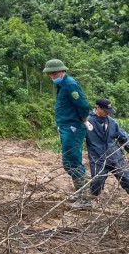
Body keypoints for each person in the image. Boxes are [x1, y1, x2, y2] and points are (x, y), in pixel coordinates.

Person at [43, 59, 92, 208]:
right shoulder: (61, 84)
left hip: (73, 127)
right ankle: (80, 191)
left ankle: (85, 200)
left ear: (62, 71)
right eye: (50, 73)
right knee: (68, 162)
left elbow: (83, 105)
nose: (52, 75)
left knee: (72, 161)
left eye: (55, 72)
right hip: (66, 126)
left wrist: (84, 121)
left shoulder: (70, 84)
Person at [86, 98, 129, 197]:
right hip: (97, 159)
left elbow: (123, 138)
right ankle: (93, 200)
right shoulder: (87, 121)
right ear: (98, 108)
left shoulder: (112, 122)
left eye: (109, 111)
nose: (107, 113)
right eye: (105, 111)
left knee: (126, 178)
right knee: (96, 183)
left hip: (115, 157)